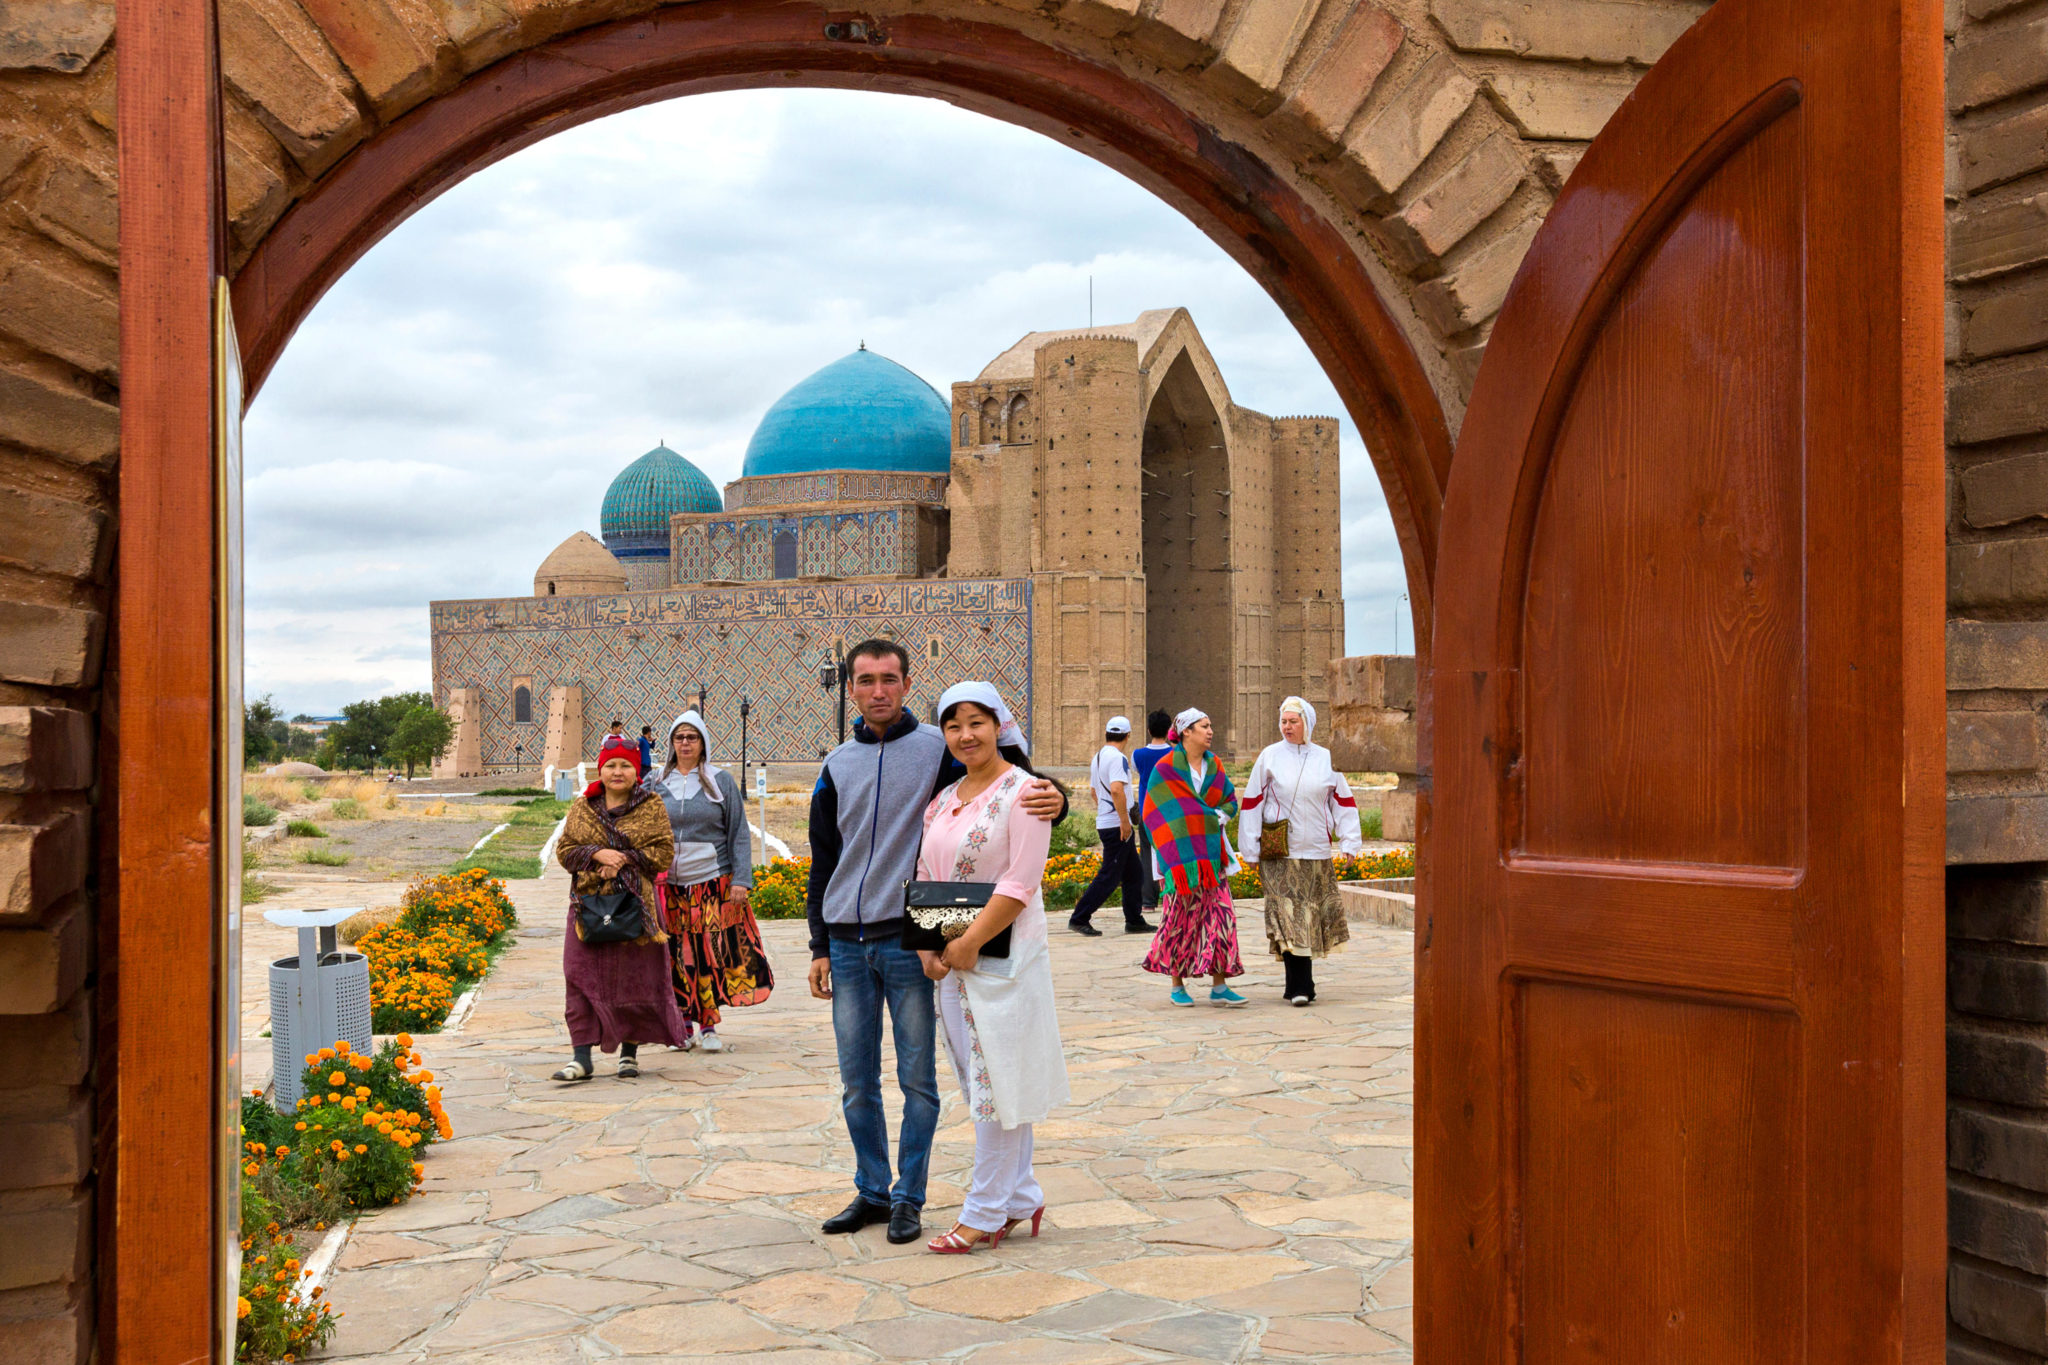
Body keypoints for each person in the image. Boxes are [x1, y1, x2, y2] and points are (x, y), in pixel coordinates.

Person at [806, 640, 1066, 1246]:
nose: (877, 690)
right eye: (865, 680)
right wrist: (819, 942)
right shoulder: (837, 763)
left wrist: (1058, 795)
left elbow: (1010, 780)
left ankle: (910, 1198)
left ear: (906, 683)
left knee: (922, 1080)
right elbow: (824, 856)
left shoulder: (936, 749)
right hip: (851, 940)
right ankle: (874, 1190)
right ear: (851, 687)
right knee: (858, 1081)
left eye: (888, 679)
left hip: (918, 941)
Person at [914, 682, 1069, 1253]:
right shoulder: (943, 799)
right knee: (984, 1083)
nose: (965, 735)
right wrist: (928, 947)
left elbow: (1021, 882)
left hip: (1004, 964)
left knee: (996, 1087)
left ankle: (982, 1211)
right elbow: (927, 873)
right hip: (954, 963)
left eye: (976, 723)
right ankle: (1021, 1197)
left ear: (999, 726)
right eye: (953, 725)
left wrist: (972, 942)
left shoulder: (1025, 793)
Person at [552, 737, 685, 1080]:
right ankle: (581, 1057)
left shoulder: (651, 806)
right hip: (588, 907)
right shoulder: (583, 807)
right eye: (610, 765)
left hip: (635, 906)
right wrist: (597, 855)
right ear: (600, 770)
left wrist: (622, 859)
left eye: (625, 765)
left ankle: (629, 1053)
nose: (617, 772)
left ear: (636, 772)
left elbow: (662, 853)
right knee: (578, 974)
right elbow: (565, 851)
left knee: (635, 978)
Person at [650, 710, 771, 1052]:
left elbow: (738, 832)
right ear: (671, 743)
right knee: (675, 953)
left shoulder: (721, 781)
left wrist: (741, 879)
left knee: (706, 954)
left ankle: (708, 1025)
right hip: (669, 886)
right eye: (679, 737)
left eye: (692, 737)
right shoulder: (655, 782)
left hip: (710, 882)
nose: (685, 743)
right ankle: (682, 1026)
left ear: (703, 743)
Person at [1238, 697, 1364, 1005]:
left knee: (1308, 917)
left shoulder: (1326, 759)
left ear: (1307, 723)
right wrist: (1250, 848)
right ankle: (1299, 987)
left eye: (1293, 721)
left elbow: (1343, 803)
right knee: (1288, 917)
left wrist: (1349, 842)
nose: (1287, 727)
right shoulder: (1269, 757)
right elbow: (1252, 802)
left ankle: (1300, 984)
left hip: (1316, 852)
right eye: (1283, 721)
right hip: (1280, 852)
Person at [1139, 708, 1248, 1007]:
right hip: (1181, 861)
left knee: (1222, 917)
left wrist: (1219, 816)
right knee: (1179, 919)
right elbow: (1154, 812)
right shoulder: (1166, 769)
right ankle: (1177, 985)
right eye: (1204, 726)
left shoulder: (1215, 766)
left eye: (1210, 725)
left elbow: (1229, 800)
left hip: (1212, 857)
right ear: (1186, 731)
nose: (1210, 731)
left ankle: (1219, 985)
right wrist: (1194, 821)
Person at [1067, 716, 1153, 937]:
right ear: (1128, 736)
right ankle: (1079, 917)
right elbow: (1116, 789)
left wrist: (1106, 812)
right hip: (1117, 826)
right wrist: (1123, 820)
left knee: (1134, 873)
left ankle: (1134, 920)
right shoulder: (1118, 758)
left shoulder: (1098, 757)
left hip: (1109, 821)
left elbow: (1094, 791)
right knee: (1109, 876)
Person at [1131, 710, 1175, 913]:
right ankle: (1170, 895)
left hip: (1146, 812)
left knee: (1147, 854)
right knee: (1170, 853)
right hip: (1169, 812)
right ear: (1169, 730)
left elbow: (1138, 772)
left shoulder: (1138, 755)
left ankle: (1148, 901)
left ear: (1148, 730)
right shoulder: (1175, 755)